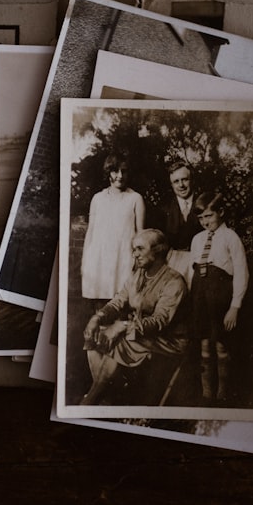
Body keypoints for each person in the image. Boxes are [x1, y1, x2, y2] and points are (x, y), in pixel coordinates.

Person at [80, 229, 189, 406]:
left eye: (140, 249)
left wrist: (122, 326)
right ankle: (105, 395)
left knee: (120, 339)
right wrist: (97, 319)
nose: (135, 254)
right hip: (140, 331)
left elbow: (159, 321)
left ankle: (91, 401)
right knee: (95, 335)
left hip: (169, 339)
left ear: (158, 250)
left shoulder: (174, 282)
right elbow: (118, 301)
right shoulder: (138, 275)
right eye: (133, 249)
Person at [189, 192, 249, 404]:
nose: (205, 222)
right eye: (201, 218)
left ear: (221, 212)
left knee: (221, 345)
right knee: (204, 343)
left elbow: (241, 272)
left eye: (209, 216)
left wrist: (235, 306)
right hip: (199, 297)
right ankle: (207, 393)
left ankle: (222, 391)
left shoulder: (230, 237)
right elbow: (192, 272)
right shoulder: (197, 239)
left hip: (221, 298)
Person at [81, 152, 145, 308]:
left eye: (124, 171)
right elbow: (91, 231)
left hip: (123, 259)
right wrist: (85, 260)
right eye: (115, 171)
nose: (120, 175)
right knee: (99, 309)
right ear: (108, 172)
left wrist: (138, 259)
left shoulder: (135, 198)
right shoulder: (98, 198)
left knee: (122, 306)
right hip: (99, 260)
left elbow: (141, 234)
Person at [153, 161, 203, 283]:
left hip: (200, 260)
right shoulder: (163, 208)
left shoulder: (203, 204)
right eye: (176, 181)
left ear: (192, 180)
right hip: (173, 261)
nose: (181, 185)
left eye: (185, 179)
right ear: (171, 184)